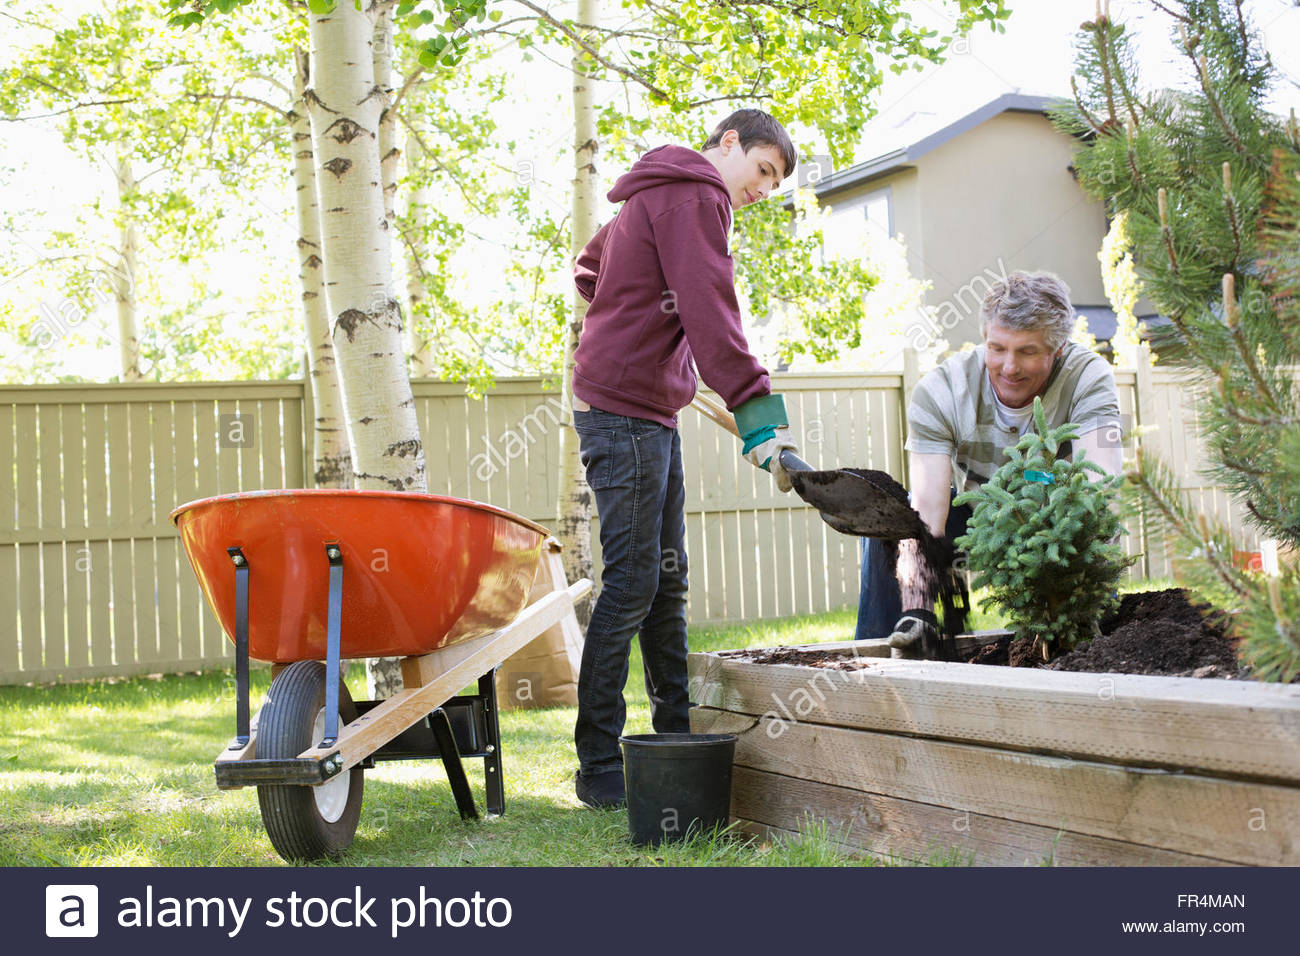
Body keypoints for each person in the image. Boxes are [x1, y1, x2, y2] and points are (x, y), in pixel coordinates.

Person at [569, 109, 799, 808]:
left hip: (643, 409)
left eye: (775, 183)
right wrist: (759, 411)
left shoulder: (652, 191)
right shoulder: (697, 193)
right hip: (624, 413)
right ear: (728, 143)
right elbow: (709, 305)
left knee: (665, 582)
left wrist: (635, 323)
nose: (764, 189)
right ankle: (600, 766)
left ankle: (675, 736)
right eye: (763, 169)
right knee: (636, 582)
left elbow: (589, 269)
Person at [856, 270, 1124, 654]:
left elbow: (1100, 490)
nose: (1009, 367)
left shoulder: (1089, 379)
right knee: (889, 526)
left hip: (1060, 523)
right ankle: (883, 663)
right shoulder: (942, 391)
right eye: (997, 349)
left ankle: (1088, 652)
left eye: (1028, 352)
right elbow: (928, 506)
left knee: (1086, 645)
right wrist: (919, 609)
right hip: (982, 524)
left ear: (1058, 349)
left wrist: (1076, 596)